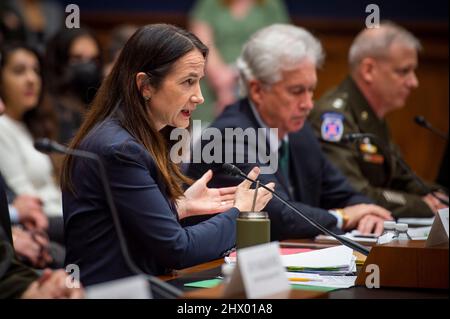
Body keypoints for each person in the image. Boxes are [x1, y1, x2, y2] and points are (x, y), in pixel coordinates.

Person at [61, 24, 273, 286]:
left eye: (199, 82)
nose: (199, 97)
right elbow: (177, 250)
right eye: (188, 82)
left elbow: (124, 225)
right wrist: (240, 211)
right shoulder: (120, 150)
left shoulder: (135, 136)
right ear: (146, 85)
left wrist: (177, 207)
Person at [188, 24, 393, 241]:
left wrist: (370, 213)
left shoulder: (298, 131)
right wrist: (342, 217)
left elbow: (343, 192)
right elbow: (277, 214)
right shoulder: (230, 135)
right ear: (258, 90)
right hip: (215, 268)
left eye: (311, 90)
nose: (308, 104)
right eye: (297, 91)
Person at [310, 22, 448, 218]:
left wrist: (439, 197)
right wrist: (423, 206)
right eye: (403, 71)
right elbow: (353, 193)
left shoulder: (373, 116)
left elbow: (403, 179)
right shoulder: (333, 118)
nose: (414, 82)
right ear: (368, 70)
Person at [0, 92, 83, 299]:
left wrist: (37, 288)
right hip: (40, 218)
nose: (1, 108)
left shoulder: (33, 126)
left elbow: (6, 268)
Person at [0, 43, 65, 247]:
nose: (31, 79)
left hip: (57, 216)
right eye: (19, 71)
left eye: (36, 71)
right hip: (41, 221)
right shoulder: (2, 126)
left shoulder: (30, 125)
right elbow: (25, 198)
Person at [189, 0, 289, 124]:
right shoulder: (210, 3)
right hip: (211, 86)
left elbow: (278, 46)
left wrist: (239, 72)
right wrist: (222, 83)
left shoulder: (271, 5)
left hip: (256, 83)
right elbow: (201, 42)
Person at [45, 27, 103, 145]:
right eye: (77, 58)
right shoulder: (46, 105)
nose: (87, 67)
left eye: (93, 60)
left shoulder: (102, 102)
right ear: (59, 61)